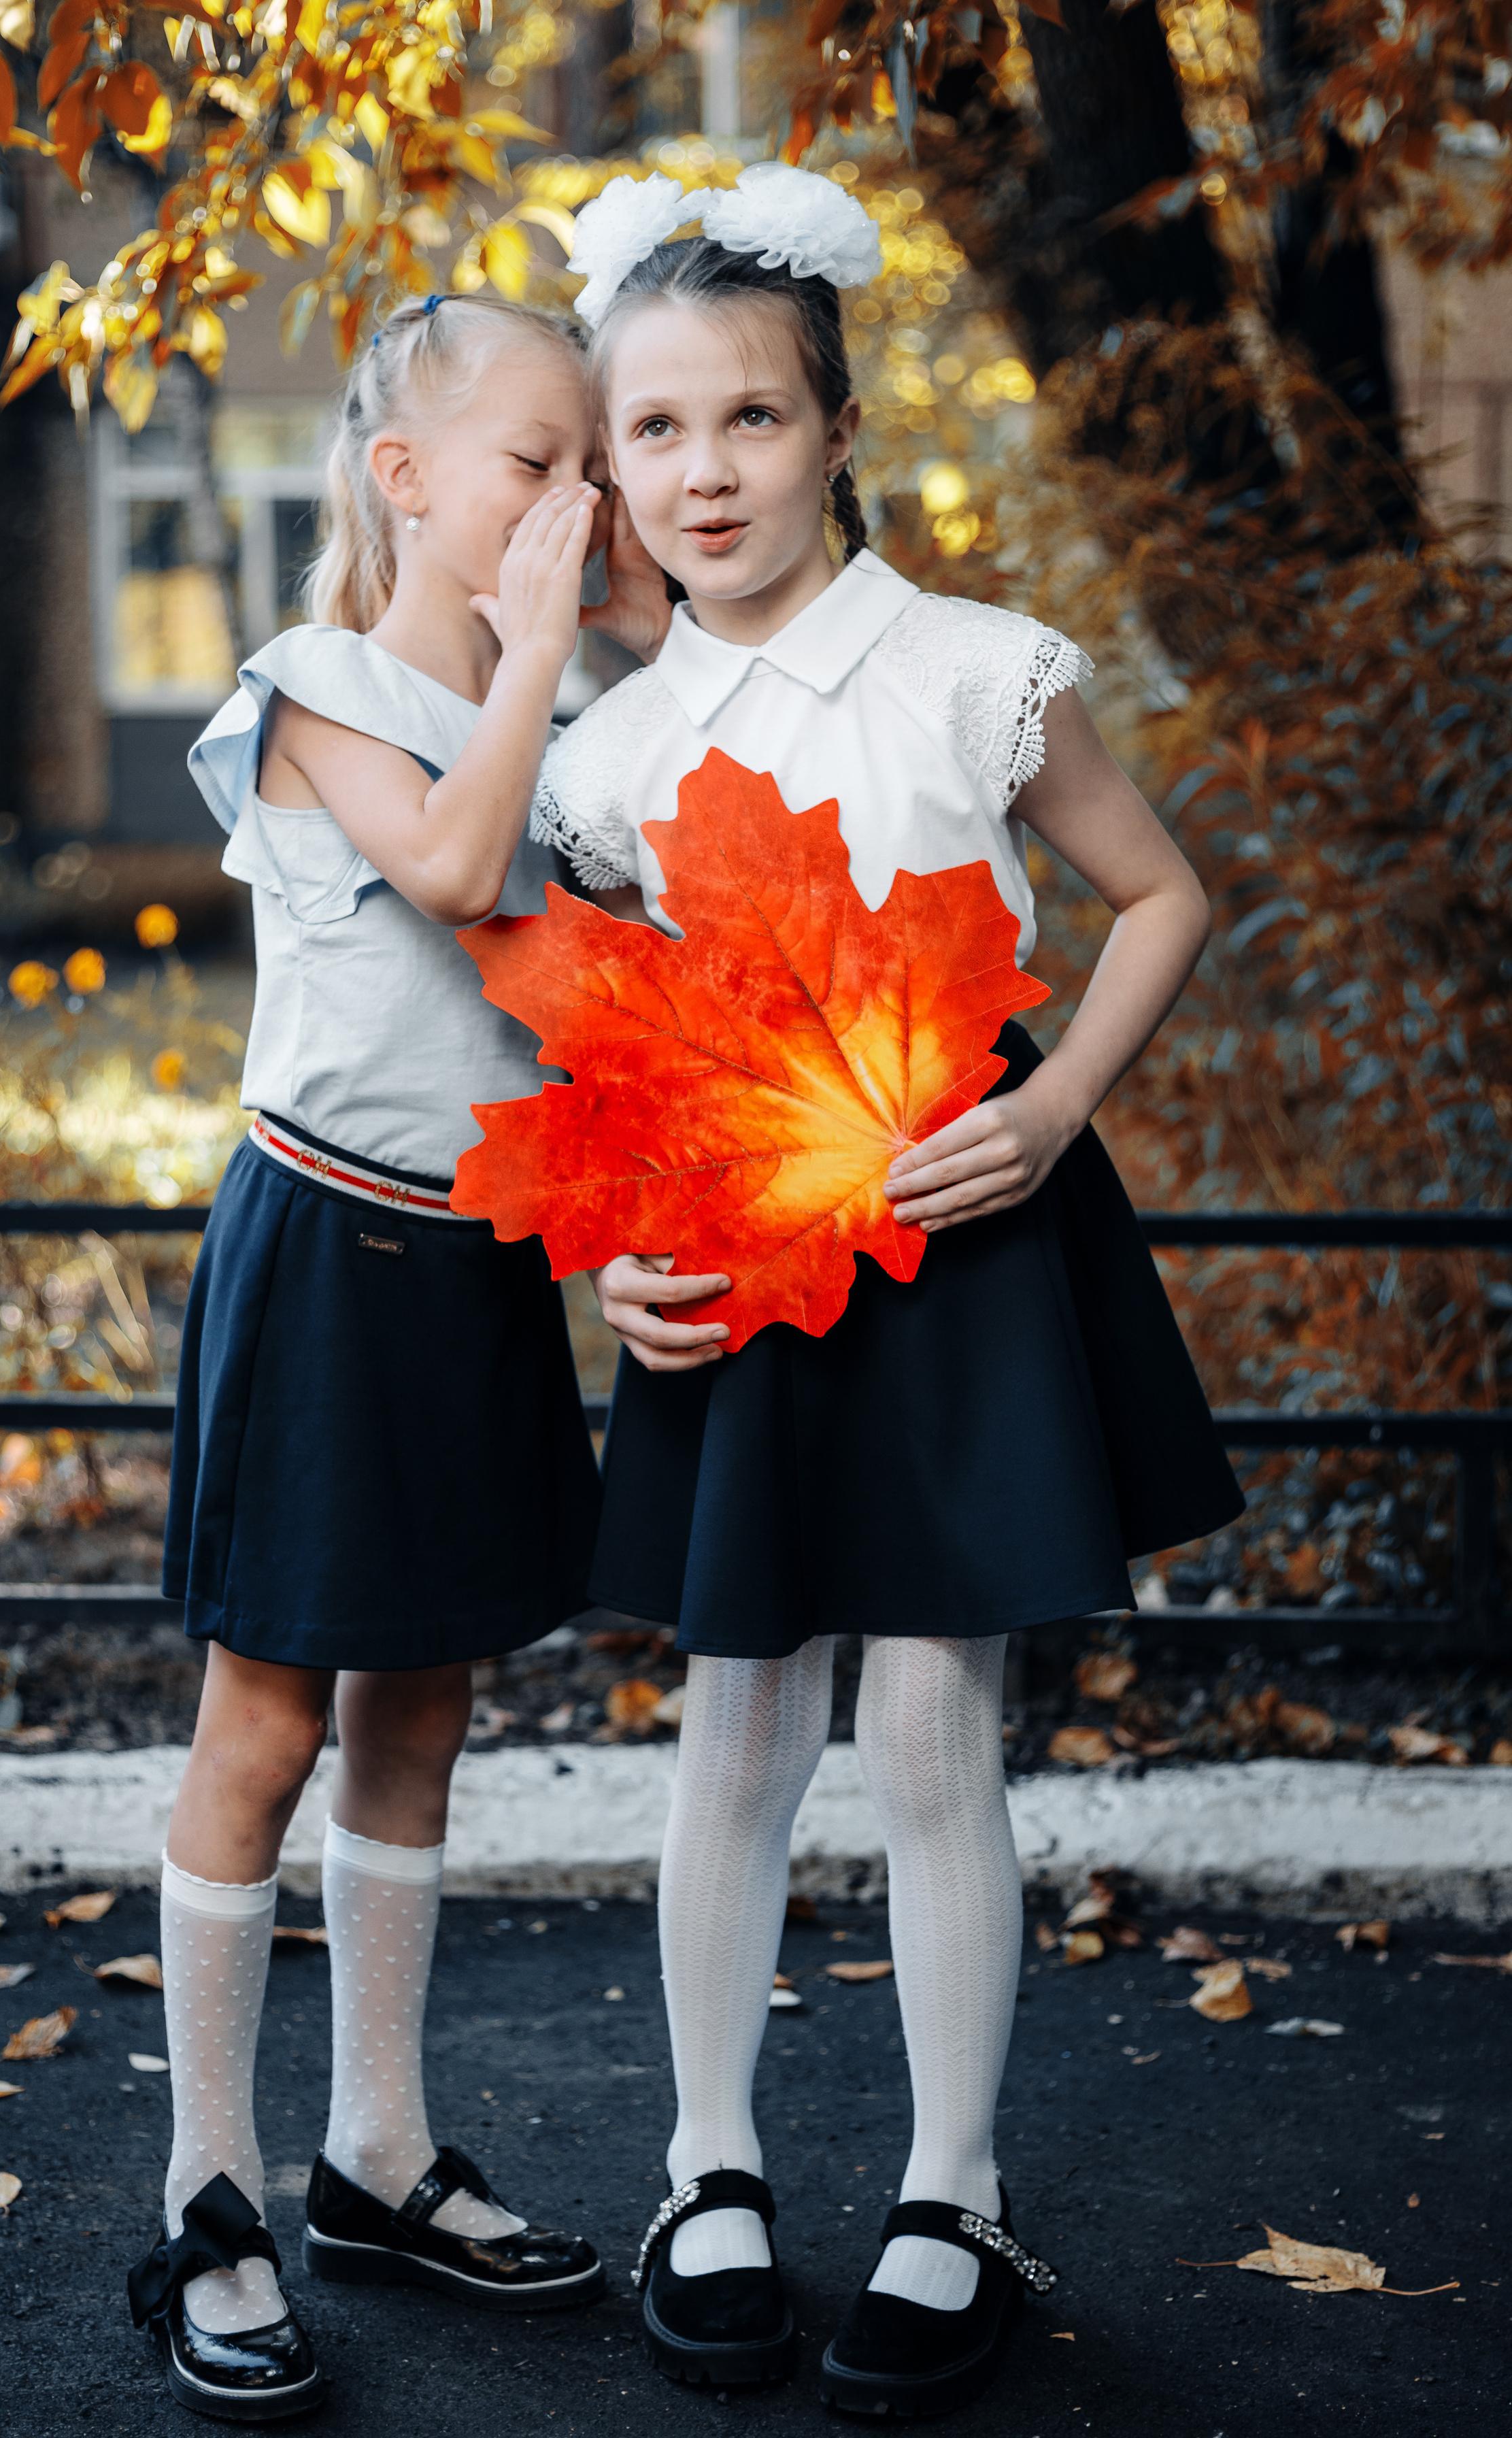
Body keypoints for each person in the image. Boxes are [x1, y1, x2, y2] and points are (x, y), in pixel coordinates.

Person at [531, 165, 1245, 2419]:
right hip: (742, 1250)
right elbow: (621, 1055)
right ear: (614, 464)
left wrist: (1050, 1118)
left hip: (961, 1220)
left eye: (752, 419)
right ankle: (707, 2165)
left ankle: (956, 2190)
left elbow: (1158, 900)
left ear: (839, 425)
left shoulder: (977, 671)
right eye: (656, 433)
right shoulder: (607, 758)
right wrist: (628, 1256)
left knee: (934, 1727)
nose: (706, 472)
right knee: (738, 1721)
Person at [130, 290, 664, 2422]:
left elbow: (603, 998)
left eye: (585, 472)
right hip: (324, 1250)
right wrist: (549, 643)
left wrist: (600, 632)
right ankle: (208, 2196)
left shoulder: (589, 714)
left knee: (417, 1723)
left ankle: (370, 2156)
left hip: (478, 1267)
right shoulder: (314, 689)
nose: (570, 504)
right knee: (263, 1725)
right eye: (534, 462)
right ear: (407, 477)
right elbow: (452, 864)